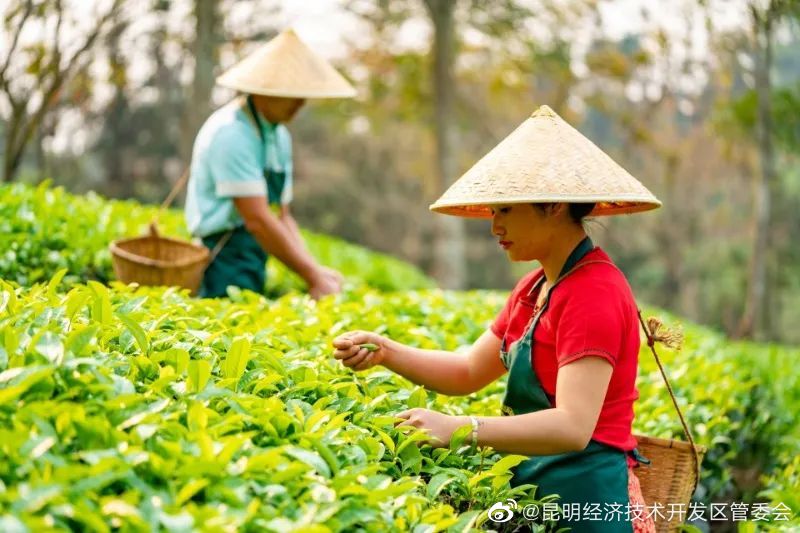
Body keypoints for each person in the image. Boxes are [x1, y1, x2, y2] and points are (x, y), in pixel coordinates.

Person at [332, 105, 662, 532]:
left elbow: (573, 426)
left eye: (505, 210)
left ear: (554, 205)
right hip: (539, 494)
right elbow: (468, 370)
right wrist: (386, 351)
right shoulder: (534, 287)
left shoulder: (593, 292)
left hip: (586, 502)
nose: (494, 227)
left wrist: (460, 428)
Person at [185, 29, 356, 299]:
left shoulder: (278, 135)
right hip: (222, 256)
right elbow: (257, 219)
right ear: (263, 91)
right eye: (291, 94)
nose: (300, 103)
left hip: (255, 251)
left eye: (303, 95)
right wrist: (311, 276)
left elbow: (282, 216)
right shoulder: (232, 134)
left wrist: (316, 271)